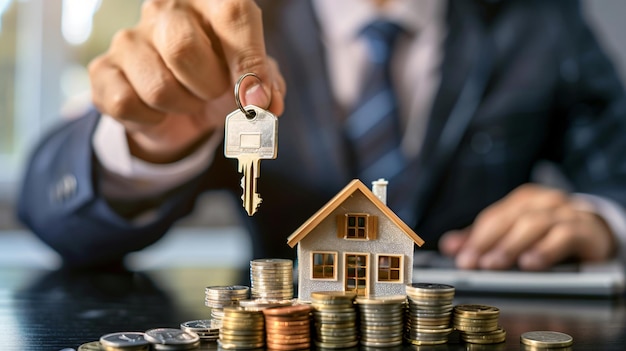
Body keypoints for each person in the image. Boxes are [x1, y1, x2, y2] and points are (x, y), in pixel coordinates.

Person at [17, 0, 626, 270]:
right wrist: (149, 144)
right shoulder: (230, 21)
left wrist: (601, 218)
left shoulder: (542, 18)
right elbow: (51, 211)